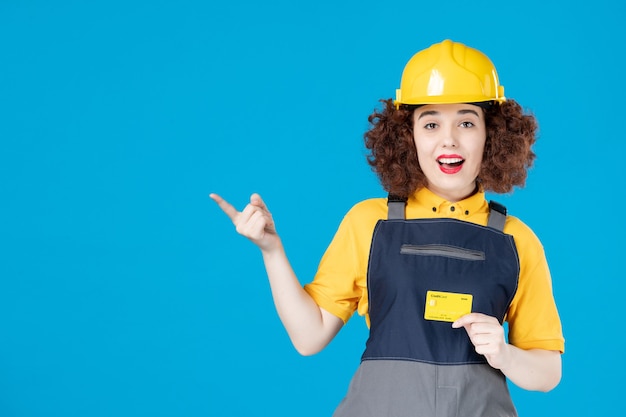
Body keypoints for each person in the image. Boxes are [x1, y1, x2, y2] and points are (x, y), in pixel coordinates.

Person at [210, 39, 564, 416]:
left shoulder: (516, 241)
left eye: (466, 121)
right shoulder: (369, 222)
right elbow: (309, 337)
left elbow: (548, 373)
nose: (449, 139)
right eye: (430, 123)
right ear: (407, 137)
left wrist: (505, 354)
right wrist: (271, 250)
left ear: (491, 135)